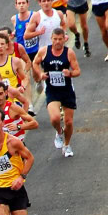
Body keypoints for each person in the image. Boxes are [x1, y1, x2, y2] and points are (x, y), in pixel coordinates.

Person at [33, 26, 81, 157]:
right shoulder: (44, 51)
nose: (57, 42)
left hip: (67, 90)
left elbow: (77, 71)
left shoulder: (69, 53)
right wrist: (40, 74)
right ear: (51, 39)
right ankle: (59, 132)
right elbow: (35, 63)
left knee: (69, 122)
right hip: (52, 90)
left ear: (65, 39)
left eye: (60, 39)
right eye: (55, 39)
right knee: (54, 118)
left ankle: (67, 145)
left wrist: (69, 73)